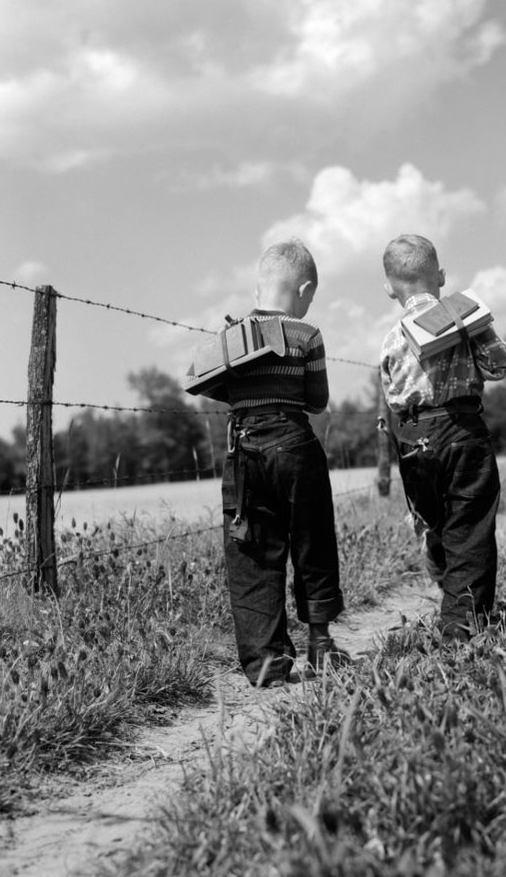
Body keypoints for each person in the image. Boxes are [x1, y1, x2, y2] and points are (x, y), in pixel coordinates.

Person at [210, 239, 349, 687]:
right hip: (294, 446)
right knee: (313, 544)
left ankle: (266, 664)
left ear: (257, 291)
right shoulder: (307, 335)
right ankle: (321, 647)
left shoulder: (230, 339)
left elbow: (218, 391)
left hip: (243, 454)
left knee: (251, 552)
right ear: (304, 289)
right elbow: (318, 401)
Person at [379, 234, 506, 643]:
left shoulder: (391, 337)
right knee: (469, 526)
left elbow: (391, 394)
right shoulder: (466, 318)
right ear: (440, 275)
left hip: (415, 438)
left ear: (389, 288)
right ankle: (461, 627)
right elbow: (499, 366)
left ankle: (449, 588)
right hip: (462, 429)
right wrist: (481, 336)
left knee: (433, 522)